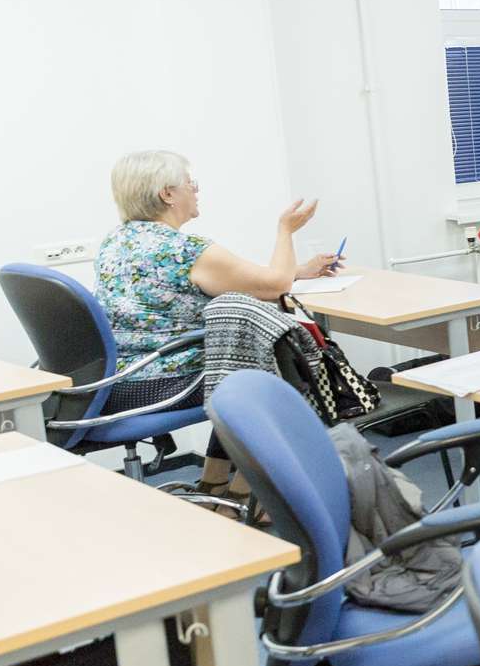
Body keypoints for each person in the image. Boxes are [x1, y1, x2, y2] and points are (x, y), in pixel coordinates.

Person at [93, 149, 339, 491]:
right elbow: (274, 286)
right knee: (266, 367)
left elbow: (236, 280)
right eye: (190, 184)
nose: (196, 191)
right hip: (165, 382)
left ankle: (214, 484)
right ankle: (248, 493)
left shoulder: (116, 241)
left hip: (119, 381)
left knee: (234, 358)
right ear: (167, 194)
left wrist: (297, 271)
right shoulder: (185, 250)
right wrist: (286, 231)